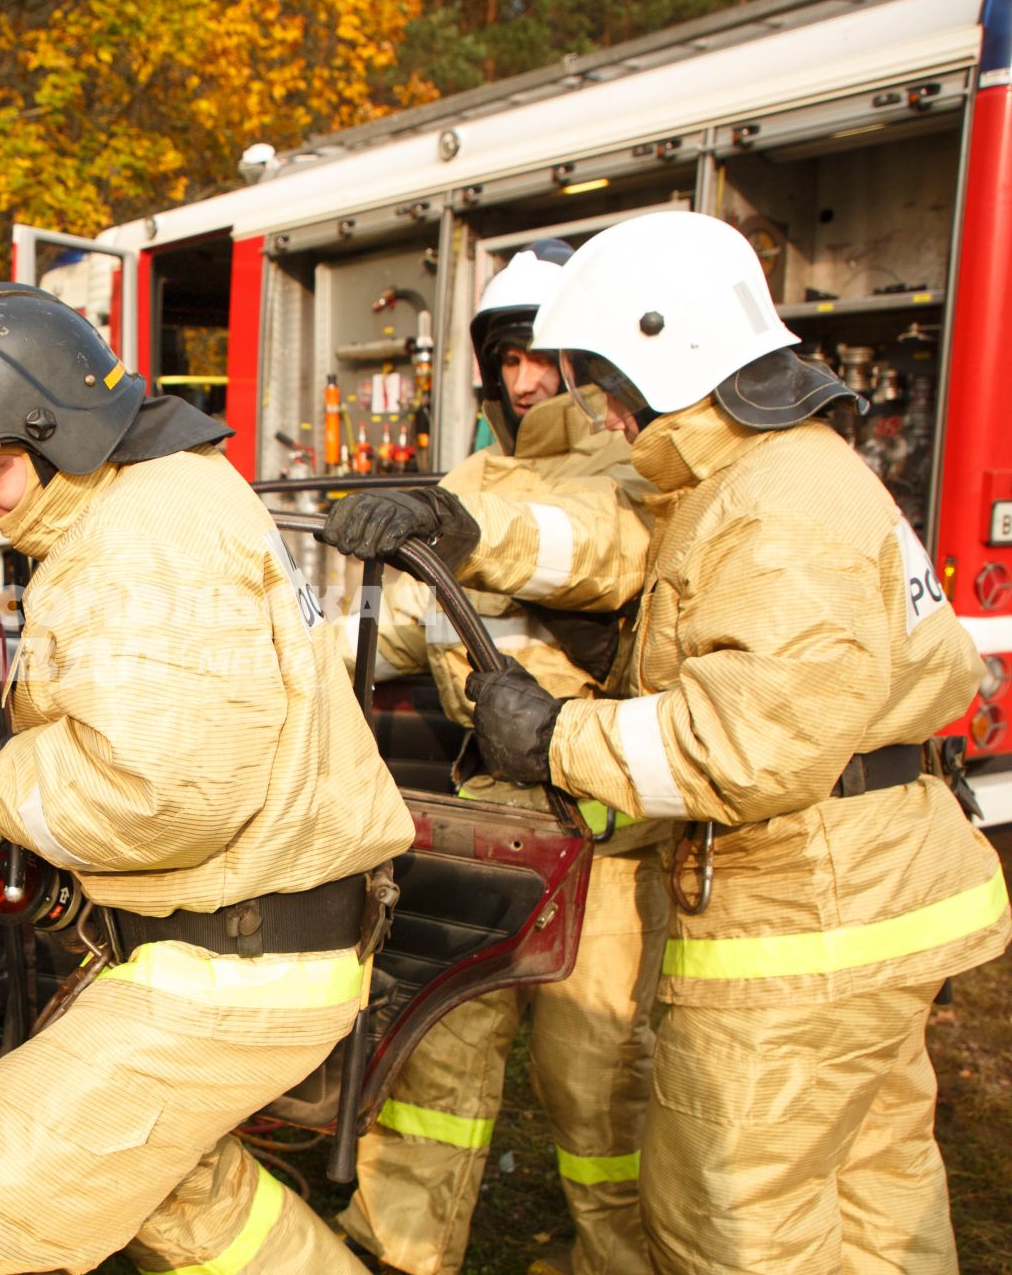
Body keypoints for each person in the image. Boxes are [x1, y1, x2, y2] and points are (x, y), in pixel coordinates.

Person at [430, 211, 1005, 1274]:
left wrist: (555, 734)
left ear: (666, 349)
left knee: (736, 1215)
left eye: (605, 375)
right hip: (870, 903)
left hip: (805, 926)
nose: (596, 403)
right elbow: (618, 536)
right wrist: (471, 529)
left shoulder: (776, 508)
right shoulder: (774, 475)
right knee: (876, 1196)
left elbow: (746, 748)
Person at [0, 282, 417, 1274]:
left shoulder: (141, 540)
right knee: (189, 1201)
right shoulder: (144, 504)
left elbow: (162, 793)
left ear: (59, 427)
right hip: (230, 939)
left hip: (230, 964)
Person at [331, 243, 668, 1275]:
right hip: (494, 832)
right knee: (435, 1058)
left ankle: (626, 1258)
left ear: (583, 361)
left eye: (539, 356)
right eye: (503, 357)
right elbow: (397, 632)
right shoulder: (471, 476)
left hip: (611, 848)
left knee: (600, 1082)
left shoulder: (629, 466)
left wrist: (469, 532)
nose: (522, 379)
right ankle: (400, 1251)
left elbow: (590, 548)